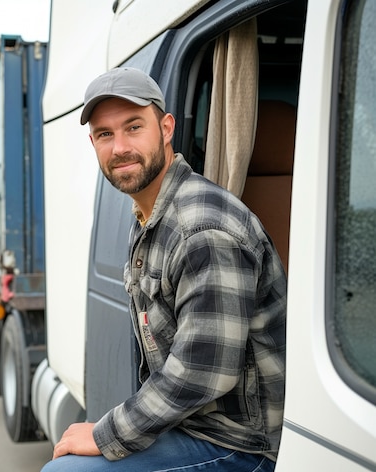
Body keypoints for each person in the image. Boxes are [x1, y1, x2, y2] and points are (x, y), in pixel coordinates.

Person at [41, 67, 287, 472]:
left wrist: (106, 433)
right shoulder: (151, 213)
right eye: (105, 134)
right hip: (195, 423)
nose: (119, 147)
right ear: (93, 143)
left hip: (240, 443)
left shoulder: (203, 229)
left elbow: (199, 376)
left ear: (166, 128)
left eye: (133, 127)